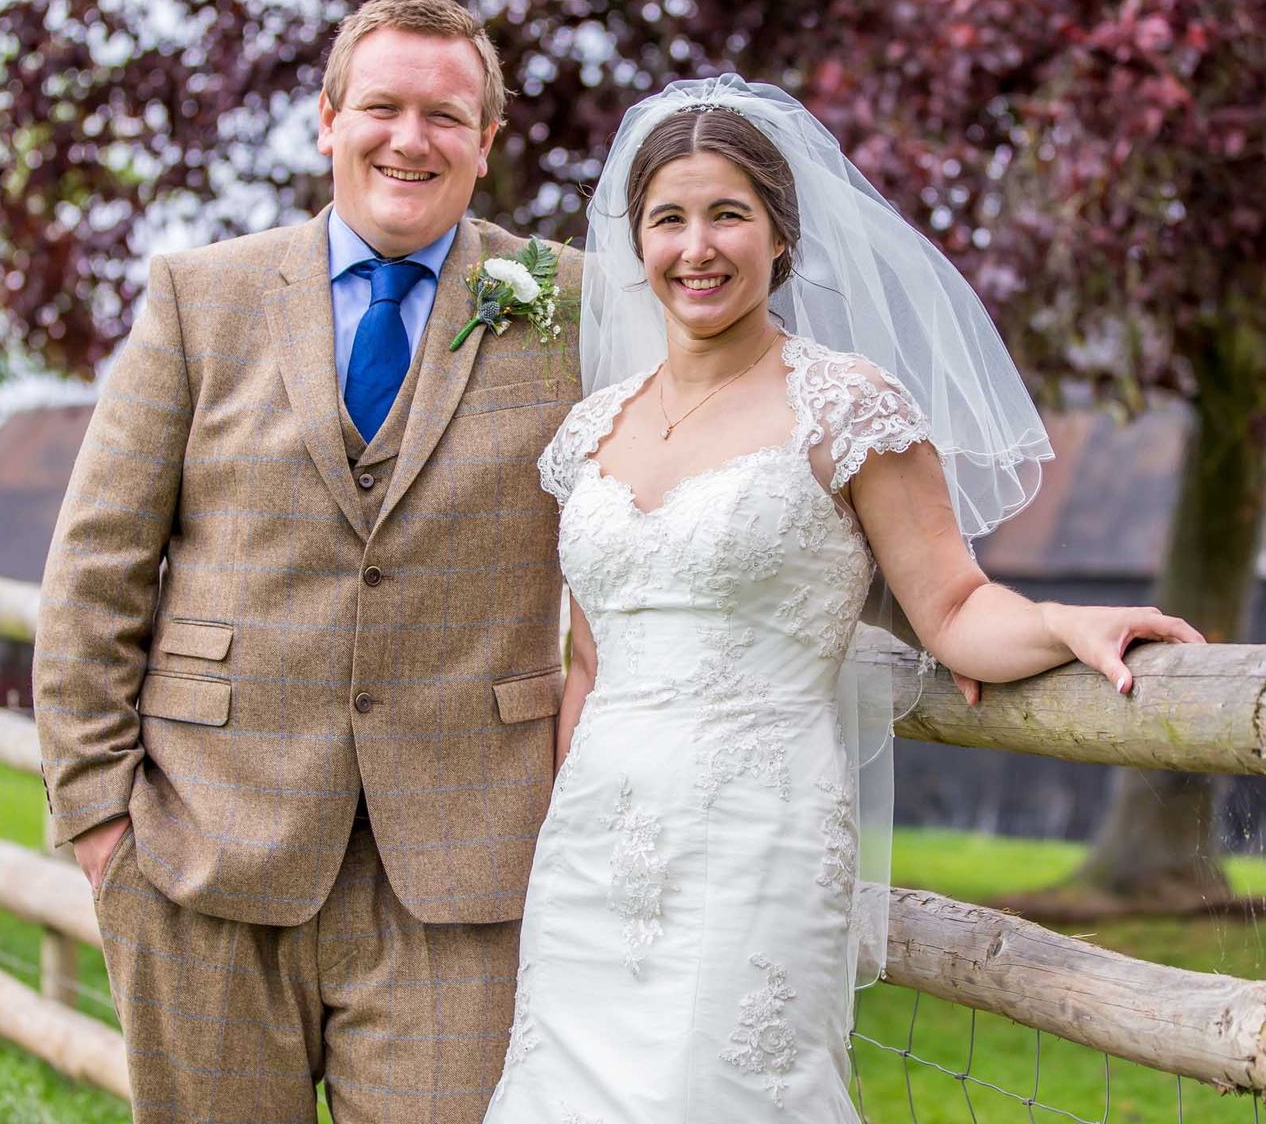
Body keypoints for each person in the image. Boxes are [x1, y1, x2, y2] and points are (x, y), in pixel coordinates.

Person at [482, 78, 1203, 1121]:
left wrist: (1061, 623)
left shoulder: (845, 405)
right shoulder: (591, 430)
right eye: (668, 218)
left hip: (755, 836)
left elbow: (952, 603)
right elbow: (588, 663)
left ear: (781, 232)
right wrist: (562, 837)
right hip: (593, 850)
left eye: (728, 213)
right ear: (636, 240)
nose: (698, 246)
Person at [33, 0, 583, 1123]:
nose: (409, 137)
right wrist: (100, 825)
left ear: (487, 143)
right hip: (205, 845)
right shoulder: (203, 296)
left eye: (445, 114)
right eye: (381, 104)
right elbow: (98, 566)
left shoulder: (568, 305)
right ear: (327, 120)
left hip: (464, 863)